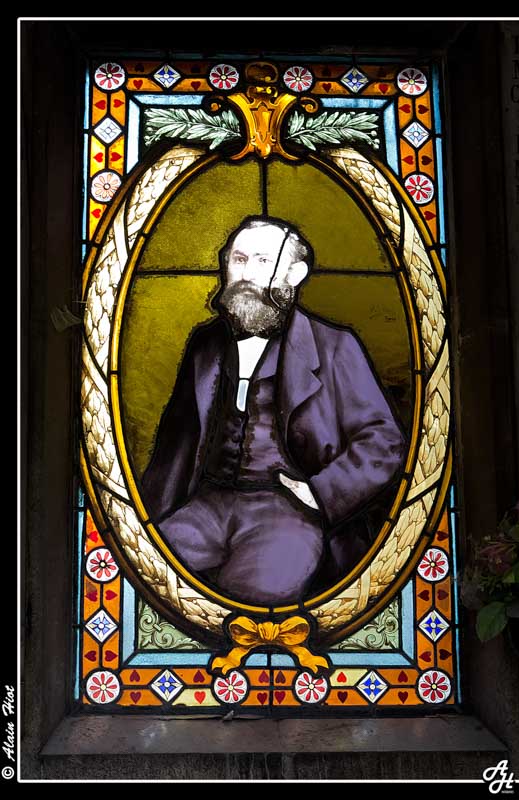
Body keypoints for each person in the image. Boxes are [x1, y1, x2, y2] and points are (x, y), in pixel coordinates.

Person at [141, 216, 405, 606]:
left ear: (295, 274)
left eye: (262, 261)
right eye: (239, 259)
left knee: (256, 598)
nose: (246, 273)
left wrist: (321, 493)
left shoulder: (334, 346)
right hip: (205, 507)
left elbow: (384, 441)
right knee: (148, 576)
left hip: (288, 514)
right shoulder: (205, 344)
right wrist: (143, 519)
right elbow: (175, 445)